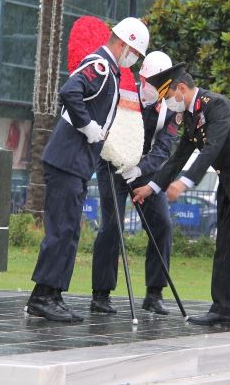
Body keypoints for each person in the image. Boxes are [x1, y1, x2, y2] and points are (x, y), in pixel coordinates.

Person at [132, 64, 230, 332]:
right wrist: (152, 187)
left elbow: (211, 149)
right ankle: (223, 310)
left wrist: (184, 183)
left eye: (168, 97)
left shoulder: (217, 106)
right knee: (224, 249)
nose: (168, 103)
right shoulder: (190, 116)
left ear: (181, 89)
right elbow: (178, 157)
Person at [26, 17, 149, 322]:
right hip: (67, 159)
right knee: (62, 230)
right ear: (121, 43)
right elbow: (70, 91)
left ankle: (50, 294)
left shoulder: (111, 70)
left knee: (68, 231)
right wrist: (88, 125)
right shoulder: (102, 66)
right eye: (132, 51)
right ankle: (43, 296)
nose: (132, 59)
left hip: (77, 162)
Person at [91, 51, 178, 316]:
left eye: (164, 84)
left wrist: (141, 169)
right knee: (112, 226)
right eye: (154, 82)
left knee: (162, 223)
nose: (159, 89)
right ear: (142, 77)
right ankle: (101, 294)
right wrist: (118, 159)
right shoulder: (123, 92)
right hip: (113, 165)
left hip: (145, 170)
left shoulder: (170, 108)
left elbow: (164, 149)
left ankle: (154, 293)